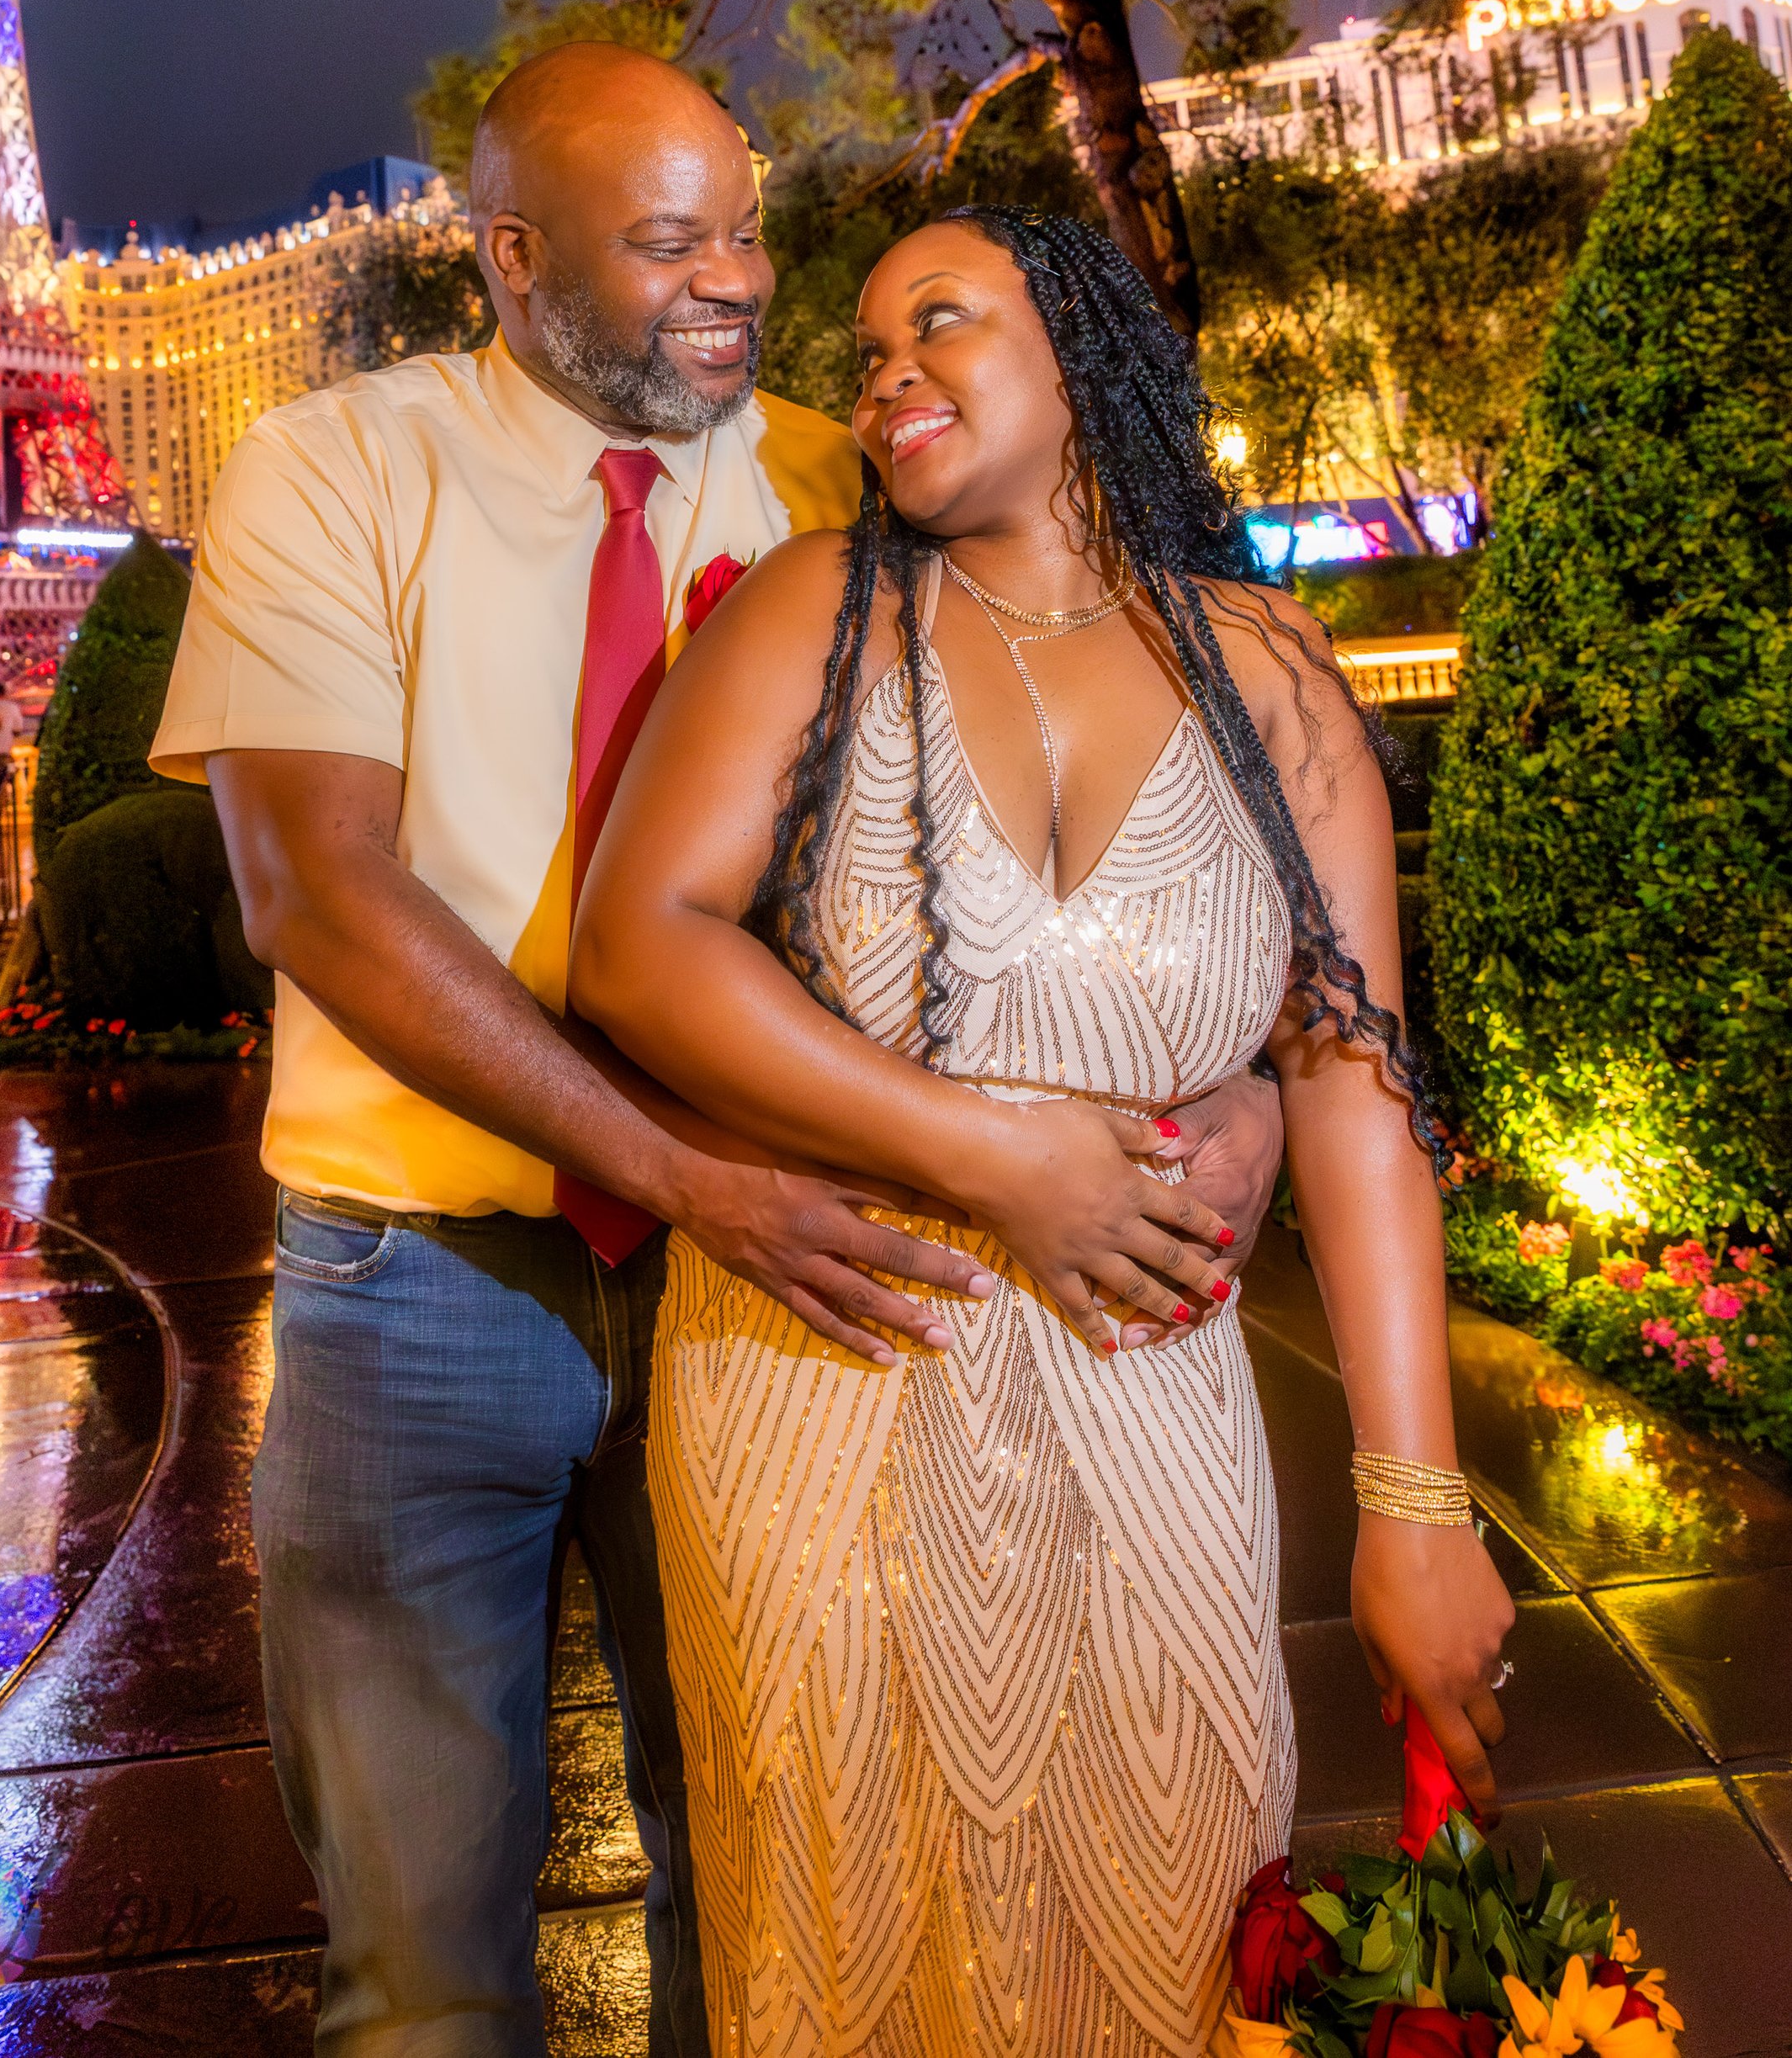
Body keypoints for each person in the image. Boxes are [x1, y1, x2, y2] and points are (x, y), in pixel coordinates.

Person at [155, 48, 1284, 2058]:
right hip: (424, 1278)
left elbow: (1124, 769)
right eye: (672, 240)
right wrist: (686, 1169)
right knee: (421, 1960)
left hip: (781, 1294)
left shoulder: (845, 479)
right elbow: (319, 899)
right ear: (512, 257)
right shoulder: (326, 468)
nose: (739, 281)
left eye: (749, 229)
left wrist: (1255, 1080)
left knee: (778, 1875)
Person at [573, 205, 1518, 2058]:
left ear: (1084, 354)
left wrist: (1412, 1511)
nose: (884, 369)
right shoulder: (812, 614)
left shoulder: (1271, 673)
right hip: (818, 1387)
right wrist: (993, 1153)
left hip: (1147, 1404)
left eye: (942, 320)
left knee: (1173, 1936)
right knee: (835, 1956)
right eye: (862, 349)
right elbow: (636, 946)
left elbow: (1346, 1089)